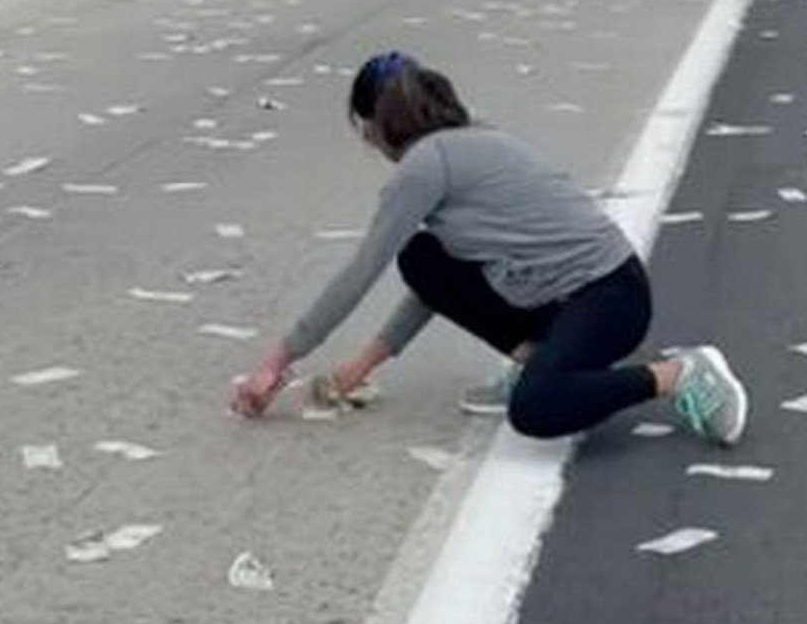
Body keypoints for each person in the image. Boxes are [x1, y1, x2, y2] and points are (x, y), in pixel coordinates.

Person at [232, 52, 749, 447]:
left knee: (537, 410)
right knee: (422, 256)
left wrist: (277, 363)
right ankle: (542, 360)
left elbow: (360, 271)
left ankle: (677, 374)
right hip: (584, 293)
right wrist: (361, 366)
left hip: (608, 296)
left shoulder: (424, 166)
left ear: (377, 125)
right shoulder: (470, 139)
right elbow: (438, 283)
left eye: (365, 130)